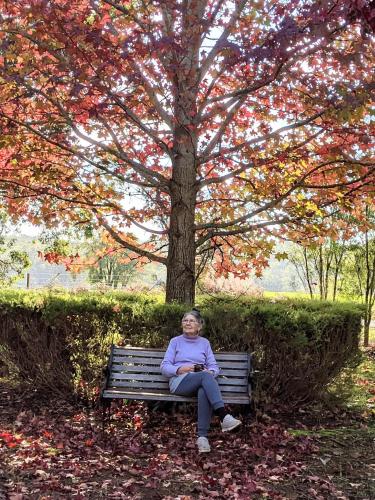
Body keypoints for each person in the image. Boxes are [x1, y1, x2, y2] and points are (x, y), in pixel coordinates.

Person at [160, 308, 242, 453]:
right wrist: (180, 369)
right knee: (205, 377)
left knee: (204, 389)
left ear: (199, 325)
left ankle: (202, 438)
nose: (188, 323)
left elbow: (214, 367)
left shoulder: (204, 343)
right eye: (185, 320)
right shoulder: (175, 342)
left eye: (192, 321)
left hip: (200, 380)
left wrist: (209, 372)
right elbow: (165, 367)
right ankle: (223, 416)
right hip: (179, 382)